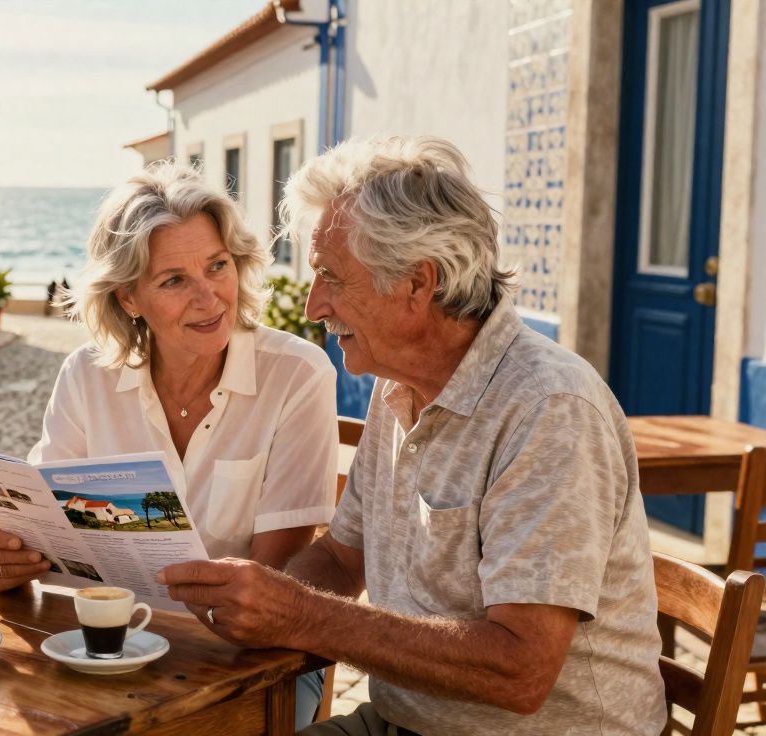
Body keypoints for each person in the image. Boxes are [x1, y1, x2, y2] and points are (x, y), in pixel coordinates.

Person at [159, 136, 665, 735]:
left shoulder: (548, 409)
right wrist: (252, 606)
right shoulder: (398, 384)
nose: (314, 305)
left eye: (331, 277)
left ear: (418, 285)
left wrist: (299, 615)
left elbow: (521, 670)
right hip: (401, 723)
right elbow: (341, 557)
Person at [0, 162, 339, 728]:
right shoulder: (86, 375)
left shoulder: (296, 375)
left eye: (218, 266)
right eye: (173, 280)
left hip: (251, 664)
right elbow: (40, 531)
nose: (209, 296)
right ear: (129, 299)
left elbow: (275, 584)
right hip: (107, 650)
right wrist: (6, 554)